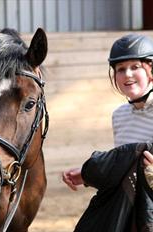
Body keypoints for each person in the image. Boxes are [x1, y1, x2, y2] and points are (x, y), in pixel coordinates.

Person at [62, 34, 153, 231]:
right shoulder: (119, 116)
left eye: (135, 67)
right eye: (121, 69)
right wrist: (86, 175)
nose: (127, 74)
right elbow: (123, 165)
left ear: (151, 70)